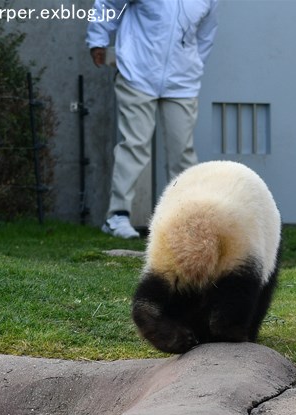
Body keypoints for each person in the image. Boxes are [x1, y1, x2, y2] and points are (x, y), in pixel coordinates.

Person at [86, 0, 219, 238]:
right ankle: (117, 216)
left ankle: (185, 220)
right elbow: (109, 3)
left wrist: (194, 67)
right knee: (135, 145)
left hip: (182, 83)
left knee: (183, 153)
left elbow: (206, 34)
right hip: (137, 73)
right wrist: (98, 39)